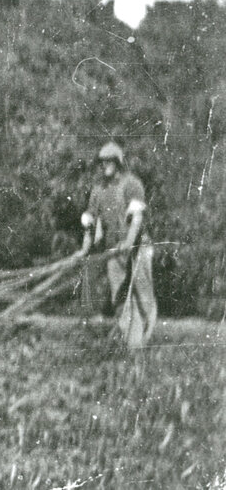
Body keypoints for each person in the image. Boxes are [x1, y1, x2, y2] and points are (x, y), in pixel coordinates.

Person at [78, 141, 157, 349]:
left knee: (143, 295)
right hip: (114, 250)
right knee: (119, 296)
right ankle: (131, 343)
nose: (105, 166)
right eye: (102, 163)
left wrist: (129, 242)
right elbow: (90, 222)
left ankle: (145, 339)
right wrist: (85, 248)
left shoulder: (131, 184)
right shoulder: (98, 190)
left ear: (118, 162)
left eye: (109, 162)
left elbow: (137, 219)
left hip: (139, 247)